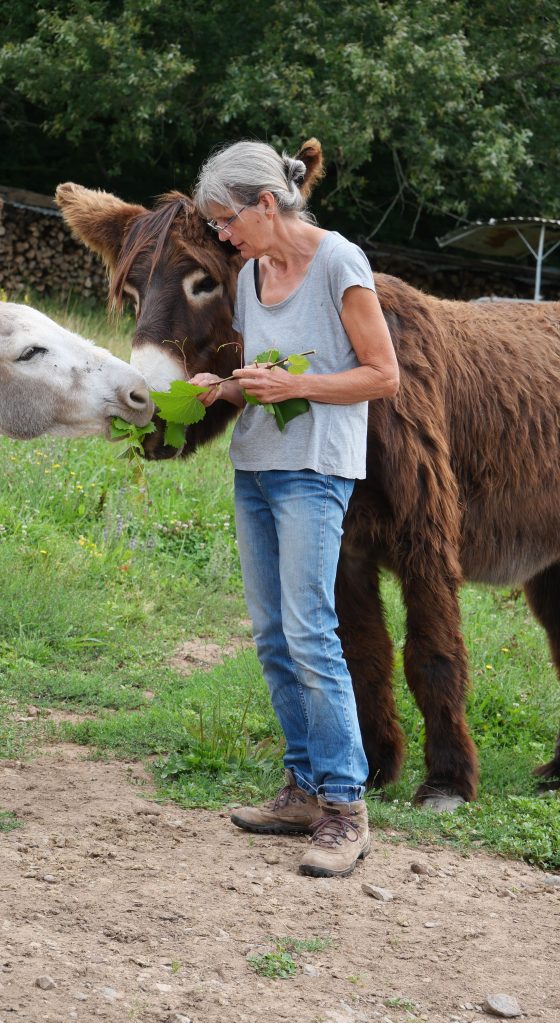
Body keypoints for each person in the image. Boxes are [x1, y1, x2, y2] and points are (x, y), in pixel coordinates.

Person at [190, 141, 400, 878]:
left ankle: (346, 810)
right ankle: (305, 789)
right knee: (274, 635)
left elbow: (382, 376)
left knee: (311, 632)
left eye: (226, 220)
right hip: (256, 467)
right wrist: (226, 388)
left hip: (315, 472)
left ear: (266, 204)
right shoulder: (251, 276)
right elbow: (267, 377)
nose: (222, 235)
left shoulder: (341, 263)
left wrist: (296, 389)